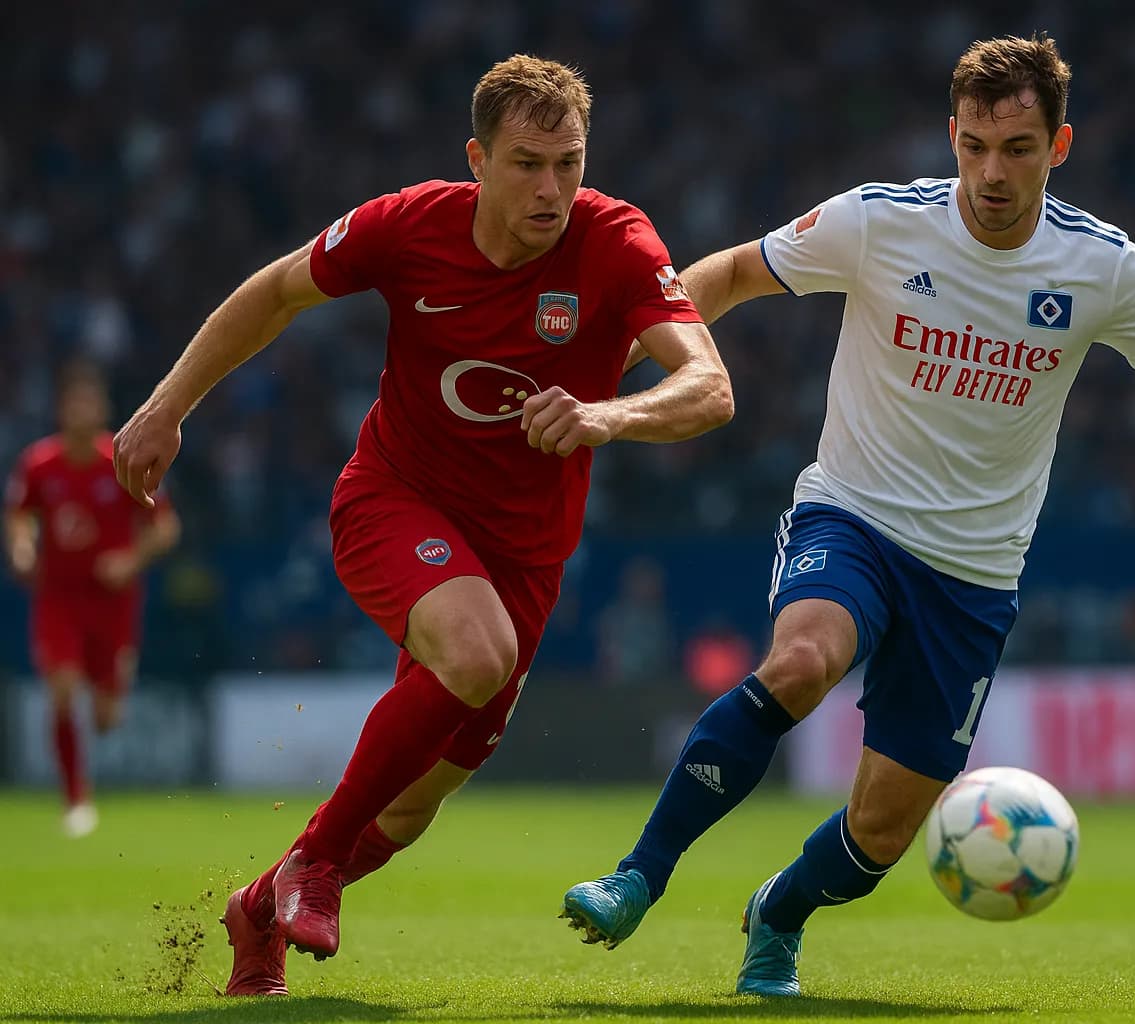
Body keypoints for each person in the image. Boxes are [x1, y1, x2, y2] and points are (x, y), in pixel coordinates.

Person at [561, 33, 1135, 996]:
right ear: (950, 135)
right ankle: (638, 876)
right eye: (972, 146)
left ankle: (779, 911)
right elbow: (722, 276)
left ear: (1061, 145)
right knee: (800, 661)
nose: (990, 172)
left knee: (881, 831)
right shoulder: (881, 222)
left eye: (1016, 149)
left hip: (973, 574)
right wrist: (611, 377)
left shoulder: (1104, 269)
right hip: (853, 515)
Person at [112, 55, 732, 997]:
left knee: (408, 814)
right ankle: (312, 863)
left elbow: (710, 386)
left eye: (568, 162)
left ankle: (256, 909)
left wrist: (614, 414)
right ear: (477, 159)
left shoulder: (616, 242)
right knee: (476, 654)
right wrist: (167, 408)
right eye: (527, 163)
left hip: (526, 557)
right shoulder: (408, 224)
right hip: (395, 499)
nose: (552, 187)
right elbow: (276, 292)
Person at [4, 361, 181, 837]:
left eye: (89, 401)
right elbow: (19, 516)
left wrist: (129, 559)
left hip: (113, 601)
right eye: (73, 402)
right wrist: (21, 549)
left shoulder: (118, 462)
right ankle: (75, 799)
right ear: (61, 409)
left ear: (101, 408)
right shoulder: (39, 464)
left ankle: (112, 692)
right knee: (61, 690)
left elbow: (165, 528)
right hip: (59, 596)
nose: (81, 410)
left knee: (105, 717)